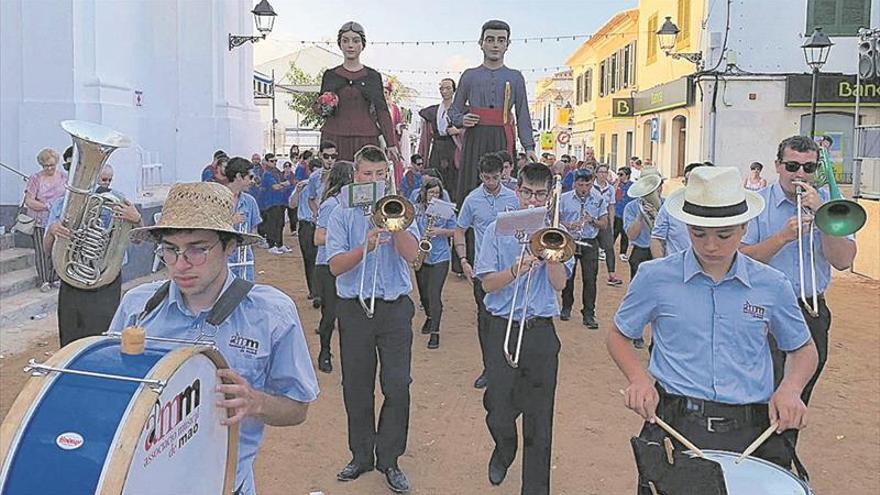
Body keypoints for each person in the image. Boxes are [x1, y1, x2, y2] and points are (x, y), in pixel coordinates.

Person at [607, 167, 818, 492]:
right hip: (676, 424)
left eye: (724, 235)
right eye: (698, 233)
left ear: (745, 226)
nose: (711, 245)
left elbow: (803, 349)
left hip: (752, 430)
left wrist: (790, 388)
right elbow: (619, 335)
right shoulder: (654, 277)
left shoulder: (772, 284)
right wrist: (638, 379)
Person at [108, 182, 318, 495]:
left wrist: (256, 402)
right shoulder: (137, 307)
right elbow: (109, 391)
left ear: (229, 246)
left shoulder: (271, 313)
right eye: (170, 249)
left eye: (197, 248)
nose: (181, 264)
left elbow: (297, 408)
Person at [740, 135, 857, 448]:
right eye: (792, 166)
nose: (800, 174)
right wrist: (782, 237)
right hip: (760, 311)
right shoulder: (757, 205)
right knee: (760, 390)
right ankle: (758, 458)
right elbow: (740, 258)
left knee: (797, 394)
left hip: (810, 311)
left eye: (808, 167)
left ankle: (782, 458)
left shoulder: (831, 206)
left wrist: (824, 219)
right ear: (778, 166)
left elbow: (843, 261)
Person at [475, 162, 574, 495]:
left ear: (548, 198)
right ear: (517, 191)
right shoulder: (495, 229)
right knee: (498, 408)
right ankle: (504, 448)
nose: (533, 200)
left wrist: (551, 259)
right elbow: (488, 285)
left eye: (540, 195)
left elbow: (560, 285)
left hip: (541, 331)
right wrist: (516, 270)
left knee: (539, 418)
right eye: (528, 192)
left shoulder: (555, 233)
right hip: (502, 326)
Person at [326, 145, 419, 493]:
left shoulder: (403, 210)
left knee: (398, 384)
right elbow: (335, 266)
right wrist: (364, 246)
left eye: (381, 175)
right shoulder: (339, 212)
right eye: (368, 175)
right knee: (357, 386)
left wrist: (395, 227)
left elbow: (413, 258)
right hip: (354, 308)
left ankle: (390, 459)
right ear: (356, 176)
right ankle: (361, 455)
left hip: (394, 307)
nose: (375, 180)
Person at [44, 164, 142, 346]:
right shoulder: (62, 203)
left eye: (109, 180)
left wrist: (136, 219)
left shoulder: (118, 199)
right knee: (70, 338)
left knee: (102, 338)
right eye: (102, 179)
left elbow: (139, 239)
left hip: (105, 279)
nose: (105, 184)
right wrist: (52, 231)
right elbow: (47, 248)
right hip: (72, 278)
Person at [449, 19, 538, 204]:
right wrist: (462, 119)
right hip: (475, 137)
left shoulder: (515, 77)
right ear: (481, 43)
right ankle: (470, 231)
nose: (495, 45)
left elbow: (523, 114)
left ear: (507, 45)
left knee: (503, 188)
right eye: (490, 39)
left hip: (502, 137)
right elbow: (453, 111)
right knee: (473, 186)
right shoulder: (469, 75)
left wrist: (528, 147)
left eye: (501, 40)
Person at [453, 152, 520, 389]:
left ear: (502, 173)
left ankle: (511, 363)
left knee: (511, 318)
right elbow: (460, 230)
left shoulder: (514, 198)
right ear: (480, 175)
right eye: (487, 178)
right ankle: (489, 368)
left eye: (495, 177)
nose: (491, 182)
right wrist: (464, 260)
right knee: (486, 321)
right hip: (484, 270)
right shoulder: (472, 200)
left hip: (512, 269)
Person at [315, 22, 400, 163]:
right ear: (340, 44)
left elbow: (382, 111)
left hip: (366, 139)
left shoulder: (372, 76)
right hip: (334, 138)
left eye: (355, 41)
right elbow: (321, 110)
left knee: (365, 182)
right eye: (345, 40)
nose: (350, 45)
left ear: (362, 44)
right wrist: (322, 105)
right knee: (335, 181)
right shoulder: (330, 75)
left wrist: (391, 144)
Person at [313, 160, 354, 373]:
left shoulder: (353, 203)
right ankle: (325, 352)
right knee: (330, 314)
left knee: (348, 313)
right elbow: (318, 237)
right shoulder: (331, 204)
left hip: (347, 262)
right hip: (327, 263)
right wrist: (342, 236)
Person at [559, 168, 608, 328]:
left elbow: (605, 223)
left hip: (589, 242)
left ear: (592, 183)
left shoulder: (599, 199)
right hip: (570, 241)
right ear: (574, 184)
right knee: (568, 276)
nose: (584, 189)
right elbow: (555, 220)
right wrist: (567, 225)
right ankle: (566, 307)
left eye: (587, 185)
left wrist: (592, 221)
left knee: (590, 279)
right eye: (580, 184)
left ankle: (588, 313)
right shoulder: (564, 198)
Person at [413, 177, 457, 349]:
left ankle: (435, 333)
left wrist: (440, 231)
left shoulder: (446, 210)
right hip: (422, 255)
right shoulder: (417, 209)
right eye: (431, 192)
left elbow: (456, 231)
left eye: (437, 193)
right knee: (424, 295)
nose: (434, 196)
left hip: (440, 256)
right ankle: (430, 318)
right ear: (424, 193)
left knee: (434, 294)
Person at [25, 147, 68, 292]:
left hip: (59, 220)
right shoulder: (35, 179)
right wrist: (47, 206)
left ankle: (56, 277)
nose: (49, 168)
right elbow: (29, 201)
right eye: (46, 166)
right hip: (41, 220)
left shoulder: (63, 177)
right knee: (43, 250)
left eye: (52, 165)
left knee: (58, 249)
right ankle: (44, 280)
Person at [301, 142, 339, 306]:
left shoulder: (342, 174)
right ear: (320, 156)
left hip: (337, 223)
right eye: (326, 156)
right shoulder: (314, 177)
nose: (330, 160)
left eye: (333, 156)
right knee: (313, 258)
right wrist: (317, 214)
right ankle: (316, 293)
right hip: (318, 223)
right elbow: (310, 198)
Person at [650, 162, 713, 259]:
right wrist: (661, 267)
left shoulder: (718, 207)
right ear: (684, 183)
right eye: (690, 180)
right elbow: (657, 238)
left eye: (698, 181)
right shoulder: (669, 205)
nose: (694, 184)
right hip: (675, 268)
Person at [418, 78, 462, 200]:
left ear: (454, 90)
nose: (444, 91)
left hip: (453, 146)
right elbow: (425, 136)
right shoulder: (433, 110)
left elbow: (469, 130)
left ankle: (452, 205)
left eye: (448, 88)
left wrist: (458, 131)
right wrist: (422, 155)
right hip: (437, 147)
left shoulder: (461, 109)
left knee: (453, 179)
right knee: (435, 177)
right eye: (442, 88)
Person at [224, 157, 262, 281]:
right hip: (221, 264)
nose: (252, 181)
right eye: (250, 177)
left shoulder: (250, 202)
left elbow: (253, 233)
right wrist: (229, 222)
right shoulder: (216, 200)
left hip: (245, 263)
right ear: (239, 176)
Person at [593, 164, 623, 286]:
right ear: (596, 173)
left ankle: (611, 274)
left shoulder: (610, 189)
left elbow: (611, 206)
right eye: (601, 172)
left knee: (609, 247)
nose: (603, 175)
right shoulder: (590, 187)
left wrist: (611, 224)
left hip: (604, 220)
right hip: (592, 221)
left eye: (605, 172)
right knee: (591, 249)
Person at [260, 153, 292, 254]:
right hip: (270, 203)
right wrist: (284, 184)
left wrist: (282, 184)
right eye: (272, 161)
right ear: (266, 162)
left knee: (280, 224)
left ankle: (279, 244)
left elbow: (286, 182)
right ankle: (271, 245)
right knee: (272, 225)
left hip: (280, 202)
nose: (274, 163)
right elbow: (275, 187)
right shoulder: (267, 174)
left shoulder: (276, 172)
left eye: (275, 161)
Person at [613, 166, 634, 262]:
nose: (619, 176)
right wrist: (616, 185)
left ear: (627, 175)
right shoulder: (616, 185)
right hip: (617, 213)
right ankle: (607, 249)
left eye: (621, 174)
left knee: (625, 234)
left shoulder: (632, 186)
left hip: (627, 214)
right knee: (614, 232)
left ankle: (623, 252)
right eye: (618, 174)